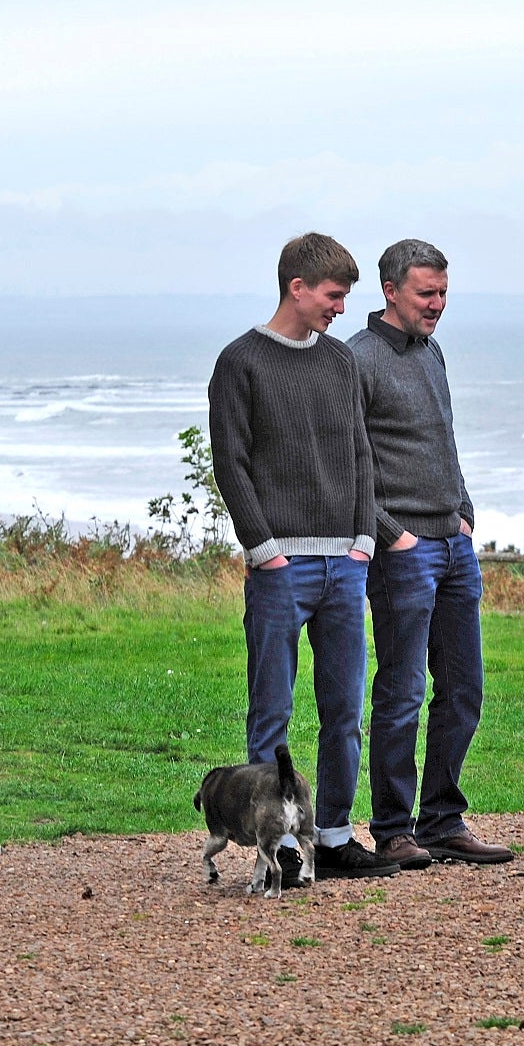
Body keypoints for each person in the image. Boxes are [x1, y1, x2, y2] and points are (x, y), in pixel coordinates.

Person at [206, 233, 400, 883]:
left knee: (345, 711)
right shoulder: (241, 362)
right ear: (298, 287)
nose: (342, 308)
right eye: (334, 295)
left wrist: (362, 542)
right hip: (278, 568)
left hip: (343, 565)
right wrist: (263, 550)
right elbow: (230, 460)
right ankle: (280, 847)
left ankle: (337, 839)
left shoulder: (341, 363)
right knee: (273, 712)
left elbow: (360, 454)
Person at [349, 239, 512, 869]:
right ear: (391, 291)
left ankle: (443, 820)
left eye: (444, 293)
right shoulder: (356, 360)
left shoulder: (432, 351)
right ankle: (392, 829)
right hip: (405, 551)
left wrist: (464, 511)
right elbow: (349, 463)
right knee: (402, 690)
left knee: (464, 688)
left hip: (453, 543)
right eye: (427, 294)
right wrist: (392, 533)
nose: (438, 305)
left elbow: (443, 439)